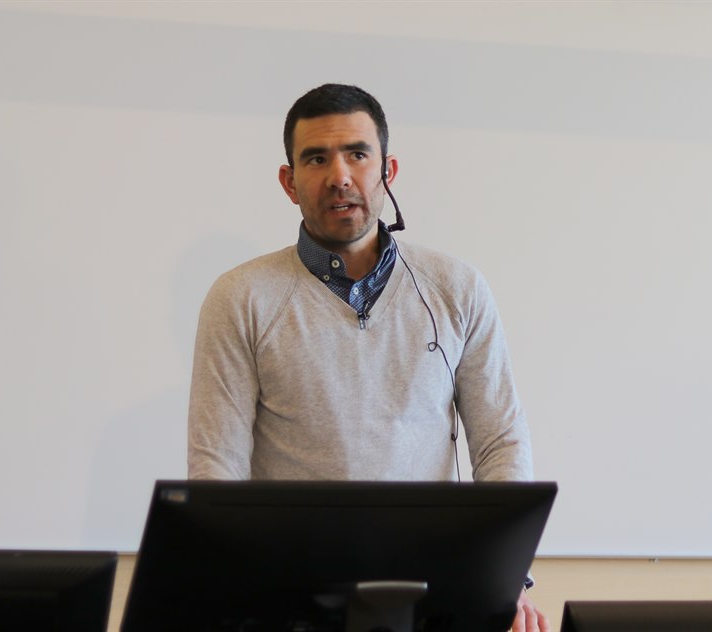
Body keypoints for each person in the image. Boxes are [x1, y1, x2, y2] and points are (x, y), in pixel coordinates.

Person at [188, 83, 548, 632]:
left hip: (431, 596)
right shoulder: (240, 297)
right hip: (290, 601)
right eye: (316, 158)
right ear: (289, 182)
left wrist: (508, 576)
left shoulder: (456, 288)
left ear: (388, 171)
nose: (340, 176)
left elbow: (500, 441)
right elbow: (217, 466)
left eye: (357, 154)